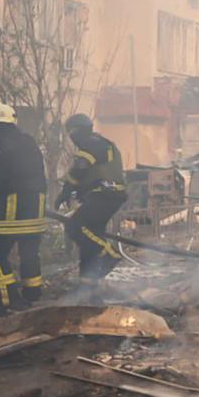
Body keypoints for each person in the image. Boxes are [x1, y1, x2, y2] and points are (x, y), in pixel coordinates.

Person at [0, 102, 47, 314]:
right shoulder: (29, 142)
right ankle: (32, 294)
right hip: (37, 205)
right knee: (29, 250)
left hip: (12, 205)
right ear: (13, 121)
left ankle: (7, 301)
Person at [54, 114, 128, 283]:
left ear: (76, 132)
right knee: (90, 240)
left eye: (71, 134)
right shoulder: (99, 143)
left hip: (105, 196)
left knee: (75, 226)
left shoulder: (91, 144)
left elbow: (79, 169)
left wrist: (65, 192)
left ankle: (110, 253)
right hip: (106, 195)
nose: (72, 139)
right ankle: (88, 284)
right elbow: (89, 173)